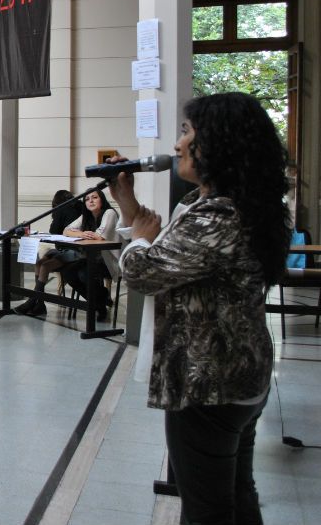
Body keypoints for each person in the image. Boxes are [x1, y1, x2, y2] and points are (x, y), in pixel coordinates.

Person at [113, 92, 290, 525]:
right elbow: (172, 256)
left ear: (218, 144)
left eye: (186, 132)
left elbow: (145, 272)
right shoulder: (224, 208)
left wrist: (138, 239)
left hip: (210, 386)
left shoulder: (217, 218)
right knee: (236, 493)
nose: (176, 145)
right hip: (238, 377)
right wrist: (128, 207)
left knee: (206, 510)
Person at [15, 189, 118, 318]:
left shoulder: (109, 213)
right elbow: (66, 231)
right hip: (90, 257)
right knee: (68, 273)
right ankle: (98, 303)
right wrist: (82, 233)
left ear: (102, 199)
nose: (90, 201)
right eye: (87, 199)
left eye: (94, 197)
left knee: (82, 274)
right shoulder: (87, 215)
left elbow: (100, 237)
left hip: (107, 261)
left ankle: (100, 301)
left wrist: (86, 234)